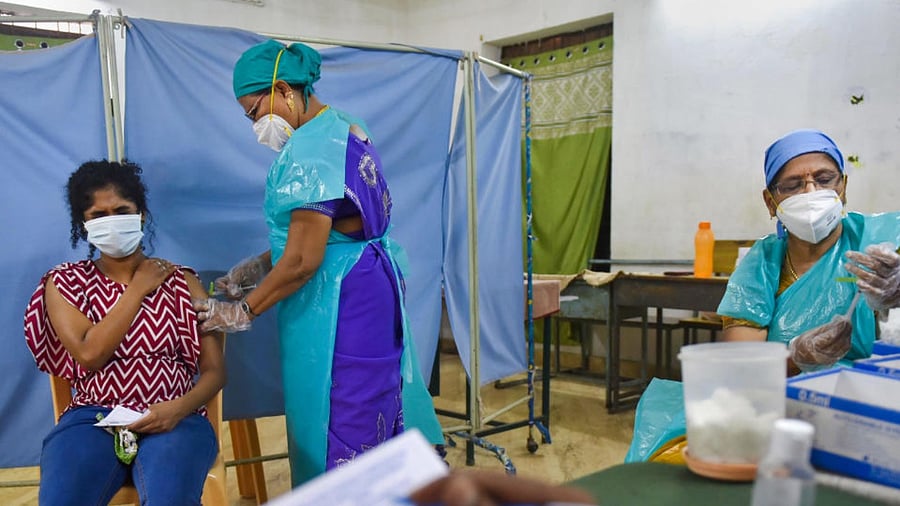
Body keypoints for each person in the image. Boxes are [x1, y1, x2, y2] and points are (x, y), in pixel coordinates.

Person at [195, 39, 443, 485]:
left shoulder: (310, 153)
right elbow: (325, 230)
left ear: (285, 90)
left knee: (343, 412)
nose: (256, 125)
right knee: (376, 400)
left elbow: (304, 260)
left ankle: (350, 492)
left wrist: (240, 311)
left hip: (341, 301)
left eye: (255, 112)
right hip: (370, 282)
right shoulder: (345, 126)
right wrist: (257, 265)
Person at [23, 160, 226, 504]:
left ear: (141, 214)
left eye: (121, 210)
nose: (111, 221)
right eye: (98, 215)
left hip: (175, 414)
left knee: (170, 496)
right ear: (83, 224)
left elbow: (214, 371)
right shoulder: (65, 283)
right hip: (93, 417)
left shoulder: (183, 281)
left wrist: (176, 410)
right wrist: (137, 289)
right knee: (63, 497)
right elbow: (90, 354)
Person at [718, 129, 900, 374]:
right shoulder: (763, 262)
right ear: (771, 202)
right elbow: (740, 363)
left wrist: (893, 304)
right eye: (793, 186)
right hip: (785, 393)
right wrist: (795, 359)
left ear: (843, 187)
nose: (811, 193)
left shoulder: (880, 238)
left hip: (871, 391)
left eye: (824, 180)